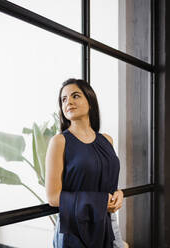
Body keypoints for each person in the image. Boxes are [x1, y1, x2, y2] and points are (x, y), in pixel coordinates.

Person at [45, 78, 125, 248]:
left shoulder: (107, 140)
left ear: (90, 102)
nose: (69, 102)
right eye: (64, 99)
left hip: (107, 222)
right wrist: (101, 201)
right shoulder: (59, 142)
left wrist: (118, 193)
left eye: (75, 96)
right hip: (74, 228)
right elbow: (52, 197)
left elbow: (105, 181)